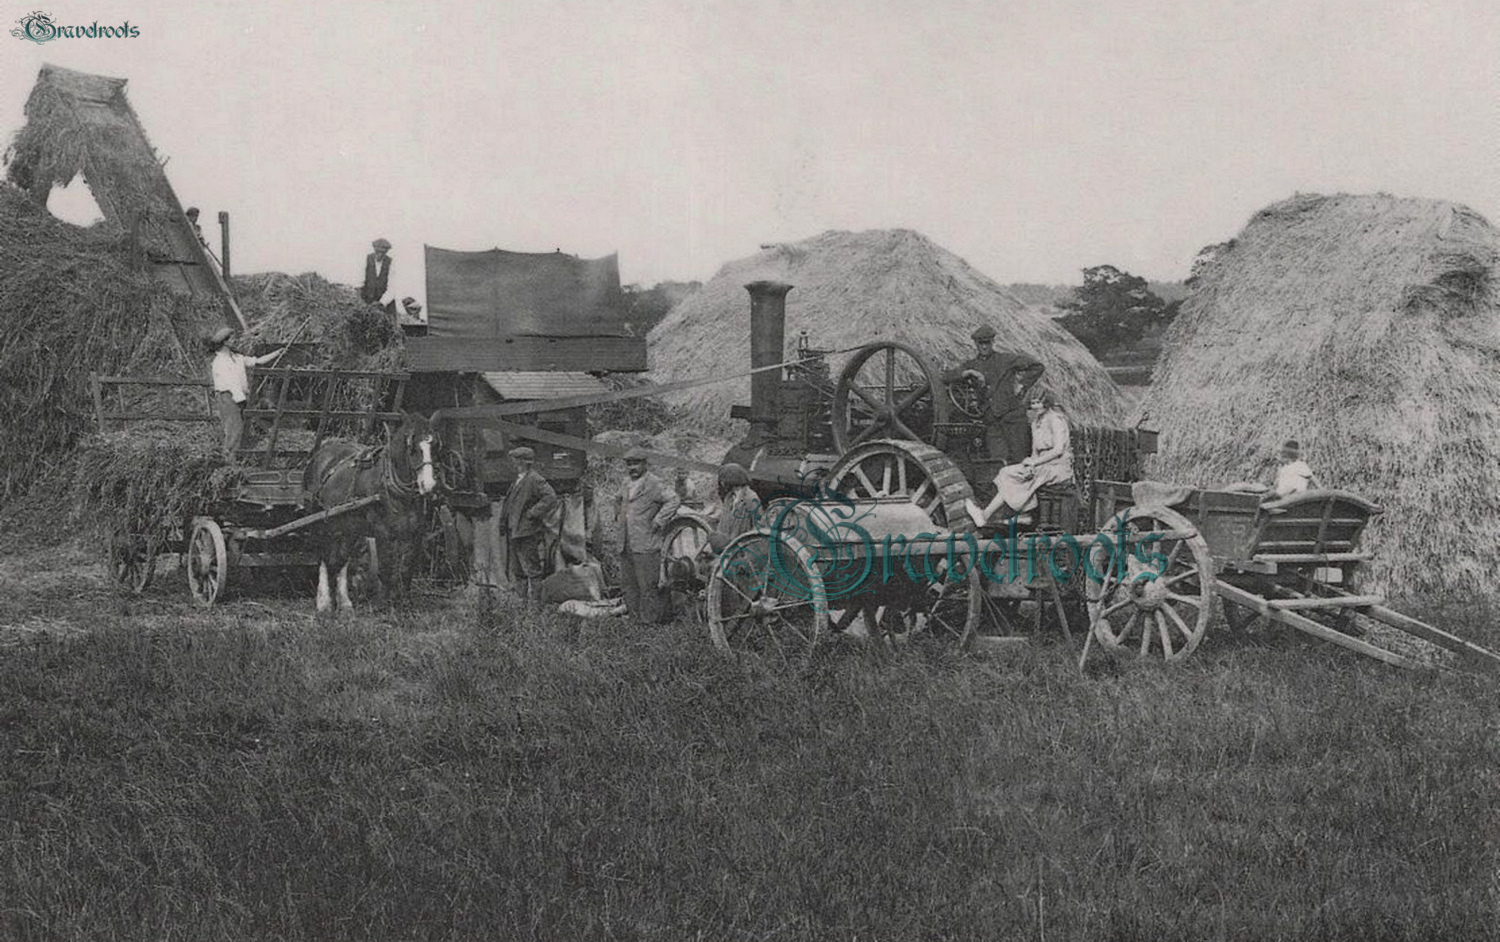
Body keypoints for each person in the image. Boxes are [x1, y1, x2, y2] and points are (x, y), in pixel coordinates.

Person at [965, 390, 1072, 527]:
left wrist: (1035, 462)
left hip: (1057, 468)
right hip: (1041, 465)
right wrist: (1030, 466)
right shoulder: (1036, 422)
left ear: (1046, 403)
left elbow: (1058, 450)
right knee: (1006, 472)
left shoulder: (1056, 420)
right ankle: (1022, 515)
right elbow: (1035, 452)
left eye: (1038, 403)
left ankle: (985, 515)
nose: (1034, 407)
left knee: (1017, 478)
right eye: (1032, 403)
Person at [942, 324, 1045, 463]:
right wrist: (968, 373)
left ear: (992, 342)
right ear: (976, 344)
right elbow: (945, 377)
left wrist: (1022, 385)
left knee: (1020, 461)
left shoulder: (1006, 359)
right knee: (998, 462)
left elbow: (1037, 366)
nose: (984, 347)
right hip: (991, 422)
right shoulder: (972, 364)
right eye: (980, 343)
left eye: (987, 343)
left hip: (1013, 419)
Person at [616, 447, 680, 624]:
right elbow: (618, 500)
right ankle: (634, 619)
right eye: (629, 464)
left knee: (648, 585)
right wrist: (619, 519)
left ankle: (651, 623)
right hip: (626, 542)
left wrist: (659, 520)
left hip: (646, 542)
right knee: (629, 585)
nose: (632, 468)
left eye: (636, 464)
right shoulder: (625, 483)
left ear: (645, 464)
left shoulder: (654, 483)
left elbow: (674, 500)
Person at [207, 326, 286, 458]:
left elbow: (257, 361)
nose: (237, 340)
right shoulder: (220, 362)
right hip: (228, 397)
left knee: (242, 428)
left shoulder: (237, 357)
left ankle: (237, 457)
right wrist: (242, 399)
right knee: (234, 428)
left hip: (239, 396)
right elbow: (231, 382)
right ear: (226, 342)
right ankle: (229, 462)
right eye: (233, 338)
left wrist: (277, 353)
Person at [502, 446, 560, 603]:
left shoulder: (534, 479)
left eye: (515, 460)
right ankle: (522, 602)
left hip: (527, 532)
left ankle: (536, 605)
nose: (512, 463)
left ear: (522, 462)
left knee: (533, 570)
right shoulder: (519, 479)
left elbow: (550, 497)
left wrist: (532, 513)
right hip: (515, 531)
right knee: (518, 570)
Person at [361, 238, 393, 309]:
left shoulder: (391, 263)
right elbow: (360, 281)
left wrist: (382, 302)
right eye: (378, 252)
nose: (380, 255)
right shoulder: (366, 260)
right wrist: (361, 301)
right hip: (367, 301)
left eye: (383, 253)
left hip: (383, 303)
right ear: (374, 250)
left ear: (386, 252)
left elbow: (392, 287)